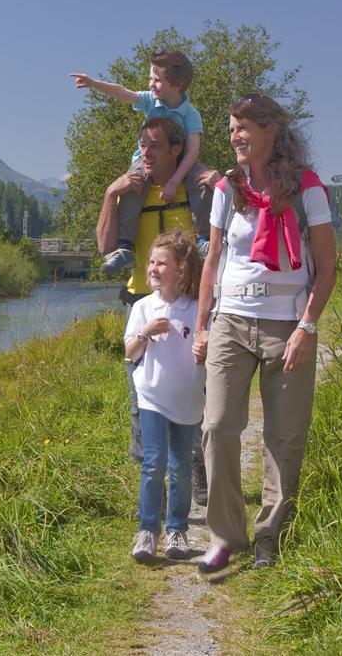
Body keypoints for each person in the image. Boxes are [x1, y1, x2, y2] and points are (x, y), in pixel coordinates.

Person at [191, 94, 337, 573]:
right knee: (216, 426)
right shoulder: (227, 189)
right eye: (232, 126)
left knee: (284, 434)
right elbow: (212, 260)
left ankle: (270, 535)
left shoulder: (307, 189)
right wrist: (202, 326)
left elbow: (328, 268)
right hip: (230, 321)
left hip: (287, 325)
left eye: (245, 127)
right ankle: (226, 535)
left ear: (273, 131)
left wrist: (306, 327)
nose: (235, 135)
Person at [96, 117, 212, 506]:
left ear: (176, 149)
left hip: (191, 308)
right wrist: (110, 192)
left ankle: (196, 467)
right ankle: (153, 485)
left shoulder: (193, 188)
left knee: (195, 393)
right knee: (138, 399)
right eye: (142, 145)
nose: (145, 153)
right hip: (141, 305)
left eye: (154, 146)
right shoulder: (130, 190)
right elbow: (104, 246)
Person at [73, 50, 212, 273]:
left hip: (182, 159)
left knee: (202, 182)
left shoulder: (191, 114)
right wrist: (94, 83)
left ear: (177, 84)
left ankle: (205, 238)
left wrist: (176, 181)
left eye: (157, 80)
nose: (151, 84)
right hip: (145, 160)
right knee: (132, 185)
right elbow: (123, 93)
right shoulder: (150, 100)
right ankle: (124, 246)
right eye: (150, 78)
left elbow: (193, 150)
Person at [124, 231, 205, 562]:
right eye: (151, 262)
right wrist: (145, 333)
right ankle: (147, 531)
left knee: (181, 466)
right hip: (152, 395)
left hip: (187, 399)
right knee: (154, 462)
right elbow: (130, 352)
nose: (153, 268)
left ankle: (177, 530)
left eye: (161, 262)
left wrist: (205, 344)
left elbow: (206, 343)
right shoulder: (144, 306)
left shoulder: (197, 308)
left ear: (180, 269)